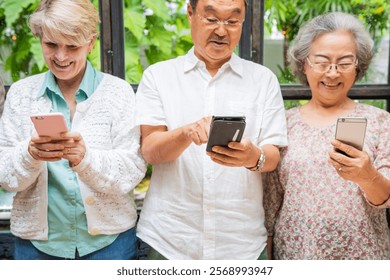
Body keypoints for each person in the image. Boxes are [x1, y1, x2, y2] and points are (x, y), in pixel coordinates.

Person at [135, 0, 288, 260]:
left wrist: (253, 157)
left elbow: (273, 155)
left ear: (243, 23)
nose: (221, 31)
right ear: (191, 13)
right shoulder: (158, 76)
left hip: (241, 243)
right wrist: (185, 134)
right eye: (211, 18)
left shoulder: (263, 80)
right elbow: (150, 151)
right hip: (169, 240)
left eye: (232, 21)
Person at [0, 0, 146, 260]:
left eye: (73, 46)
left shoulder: (118, 92)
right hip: (37, 246)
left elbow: (132, 169)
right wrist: (30, 154)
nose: (61, 57)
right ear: (40, 39)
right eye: (51, 44)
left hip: (109, 245)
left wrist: (85, 159)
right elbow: (5, 175)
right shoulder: (21, 94)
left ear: (91, 43)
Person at [264, 12, 390, 260]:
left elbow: (386, 198)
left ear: (358, 65)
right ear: (304, 64)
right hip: (297, 256)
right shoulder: (283, 123)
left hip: (363, 258)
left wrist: (367, 176)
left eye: (344, 62)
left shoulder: (380, 121)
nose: (332, 74)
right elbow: (271, 203)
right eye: (322, 62)